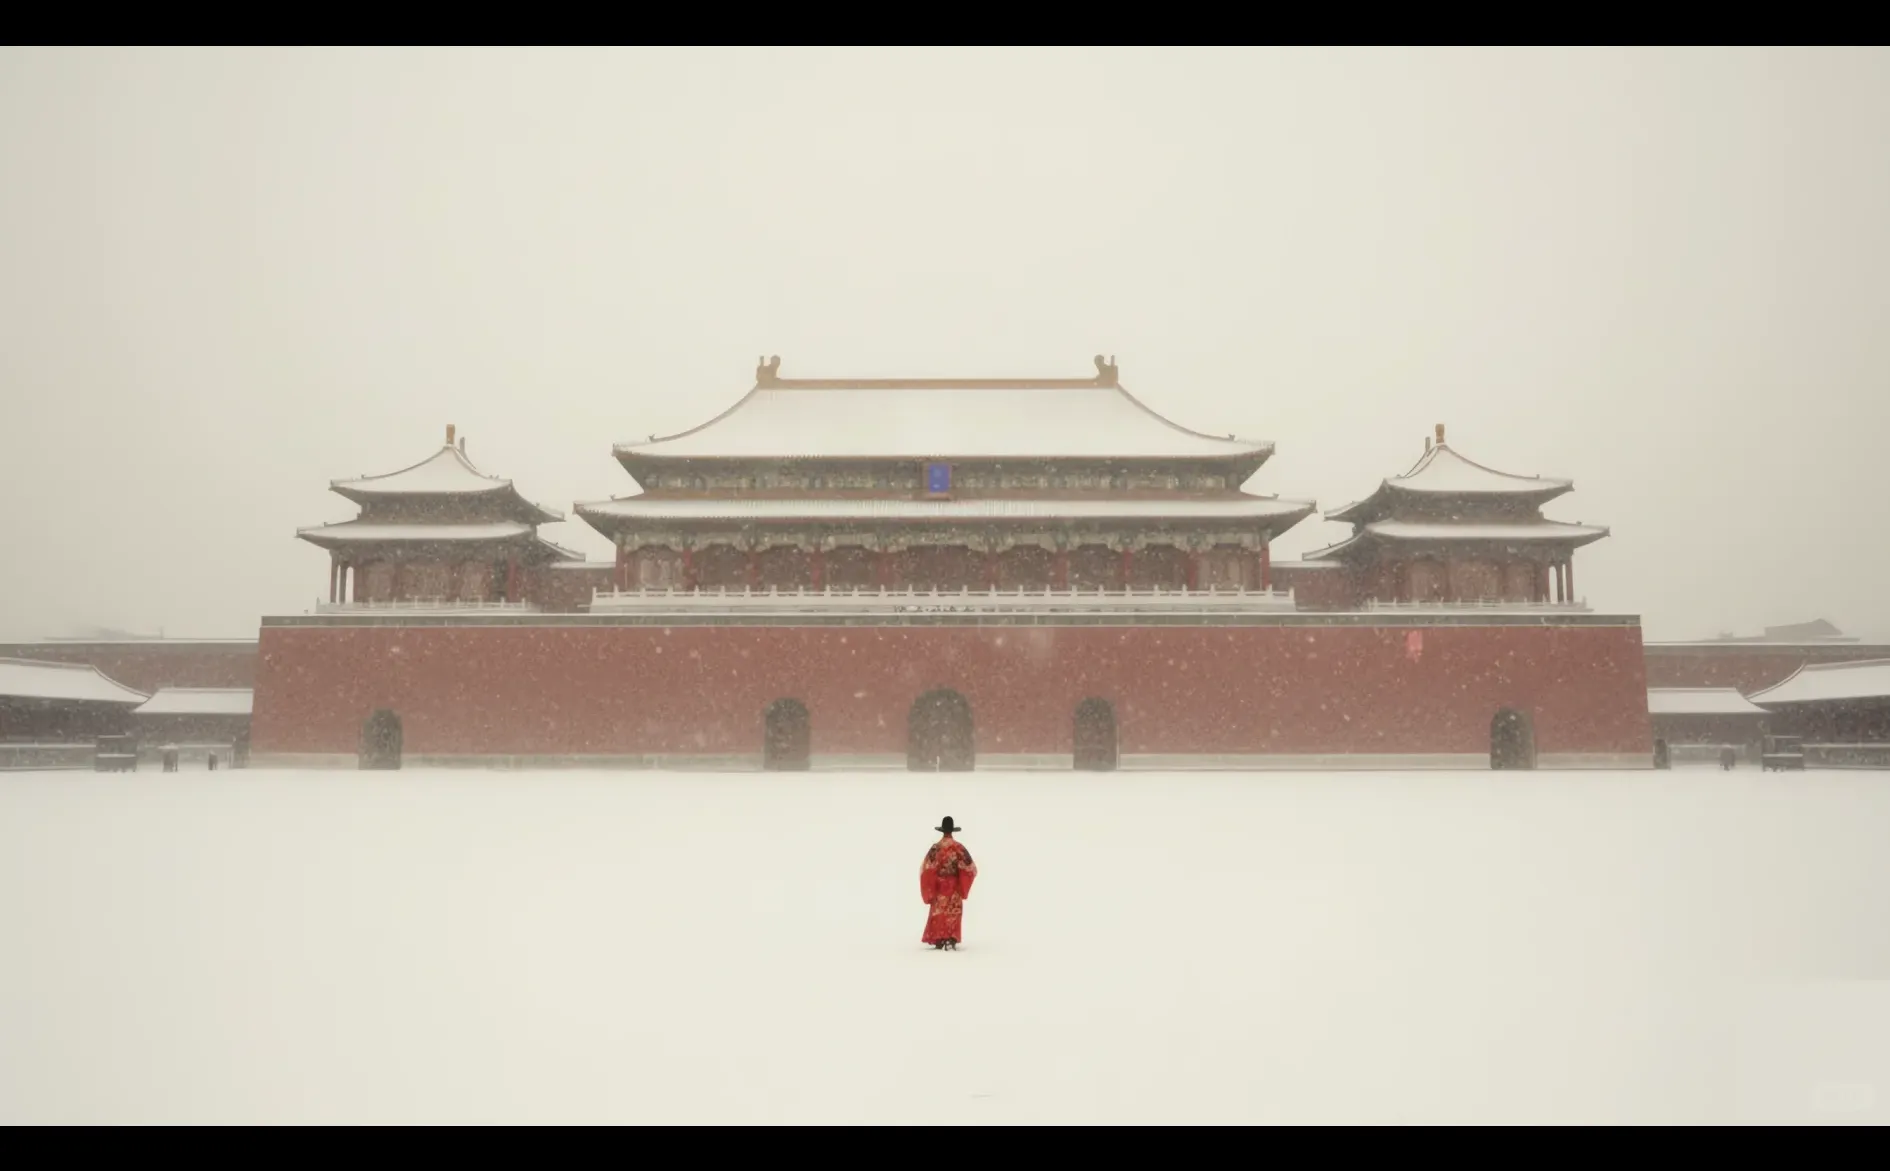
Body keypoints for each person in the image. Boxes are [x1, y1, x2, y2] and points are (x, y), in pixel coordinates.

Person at [920, 816, 977, 950]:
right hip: (954, 888)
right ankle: (950, 938)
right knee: (953, 913)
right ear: (952, 830)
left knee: (939, 912)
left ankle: (939, 938)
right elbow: (970, 868)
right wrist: (961, 883)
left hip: (939, 888)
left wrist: (931, 887)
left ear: (942, 830)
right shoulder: (959, 848)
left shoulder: (936, 848)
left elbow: (927, 869)